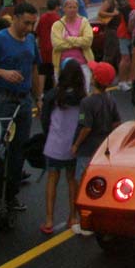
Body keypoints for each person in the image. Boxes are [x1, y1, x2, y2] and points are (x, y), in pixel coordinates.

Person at [0, 2, 42, 211]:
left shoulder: (31, 39)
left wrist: (38, 97)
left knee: (19, 147)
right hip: (2, 98)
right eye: (26, 23)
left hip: (24, 100)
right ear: (15, 18)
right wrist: (2, 73)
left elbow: (34, 68)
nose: (29, 28)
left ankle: (11, 193)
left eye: (33, 23)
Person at [70, 61, 121, 234]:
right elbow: (117, 122)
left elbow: (86, 127)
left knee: (81, 182)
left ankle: (81, 219)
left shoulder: (87, 102)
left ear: (94, 79)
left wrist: (76, 144)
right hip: (103, 147)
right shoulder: (110, 100)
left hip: (87, 148)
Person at [40, 59, 85, 235]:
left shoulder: (53, 95)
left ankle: (49, 219)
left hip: (54, 144)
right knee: (72, 179)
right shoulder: (82, 97)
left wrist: (47, 135)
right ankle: (73, 216)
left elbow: (45, 119)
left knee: (52, 179)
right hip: (73, 144)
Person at [50, 0, 95, 78]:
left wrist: (69, 39)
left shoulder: (84, 22)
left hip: (82, 65)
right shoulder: (57, 25)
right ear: (64, 9)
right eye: (70, 7)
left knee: (84, 90)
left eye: (75, 7)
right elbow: (57, 44)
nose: (72, 10)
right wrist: (78, 42)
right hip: (63, 65)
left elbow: (87, 41)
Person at [35, 0, 61, 92]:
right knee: (55, 71)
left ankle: (40, 92)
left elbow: (37, 33)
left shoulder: (42, 18)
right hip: (54, 48)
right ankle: (55, 92)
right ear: (57, 7)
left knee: (42, 71)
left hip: (43, 48)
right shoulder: (57, 19)